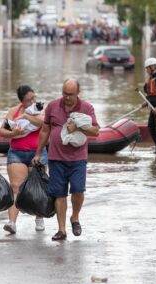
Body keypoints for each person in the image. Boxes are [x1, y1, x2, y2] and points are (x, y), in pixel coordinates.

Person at [32, 79, 99, 241]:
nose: (66, 97)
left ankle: (74, 217)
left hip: (78, 158)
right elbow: (45, 130)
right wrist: (38, 153)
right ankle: (61, 230)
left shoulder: (87, 108)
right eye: (64, 93)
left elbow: (95, 131)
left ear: (77, 93)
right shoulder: (53, 106)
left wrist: (78, 127)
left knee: (78, 190)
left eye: (70, 94)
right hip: (56, 158)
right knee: (59, 194)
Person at [0, 85, 48, 234]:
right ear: (21, 101)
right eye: (28, 100)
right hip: (17, 153)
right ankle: (12, 223)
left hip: (37, 153)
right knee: (16, 187)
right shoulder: (14, 112)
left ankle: (39, 217)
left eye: (33, 97)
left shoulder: (39, 109)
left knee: (36, 187)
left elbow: (43, 123)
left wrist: (27, 117)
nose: (32, 101)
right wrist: (13, 133)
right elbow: (2, 131)